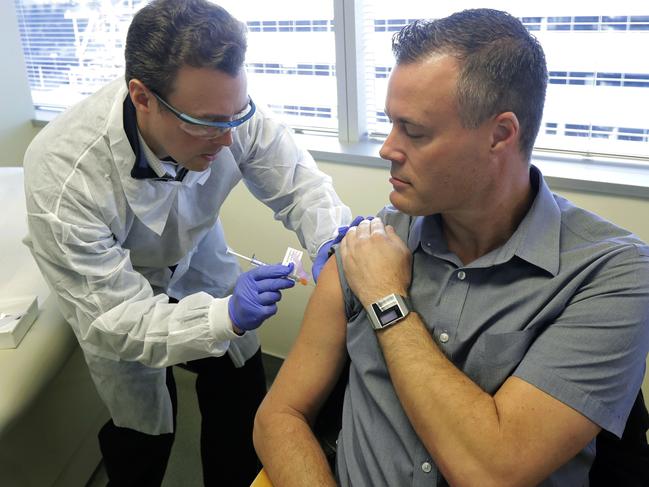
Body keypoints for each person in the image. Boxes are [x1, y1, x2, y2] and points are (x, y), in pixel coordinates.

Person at [253, 8, 649, 487]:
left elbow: (492, 471)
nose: (387, 148)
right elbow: (280, 416)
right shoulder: (372, 241)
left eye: (414, 131)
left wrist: (386, 301)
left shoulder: (610, 273)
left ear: (501, 135)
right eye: (389, 123)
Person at [22, 1, 356, 486]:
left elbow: (298, 182)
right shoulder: (62, 174)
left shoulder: (226, 111)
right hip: (116, 289)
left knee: (239, 397)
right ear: (142, 97)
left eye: (235, 116)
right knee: (144, 431)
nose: (226, 140)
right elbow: (113, 319)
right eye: (205, 123)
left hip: (199, 260)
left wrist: (330, 238)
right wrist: (224, 316)